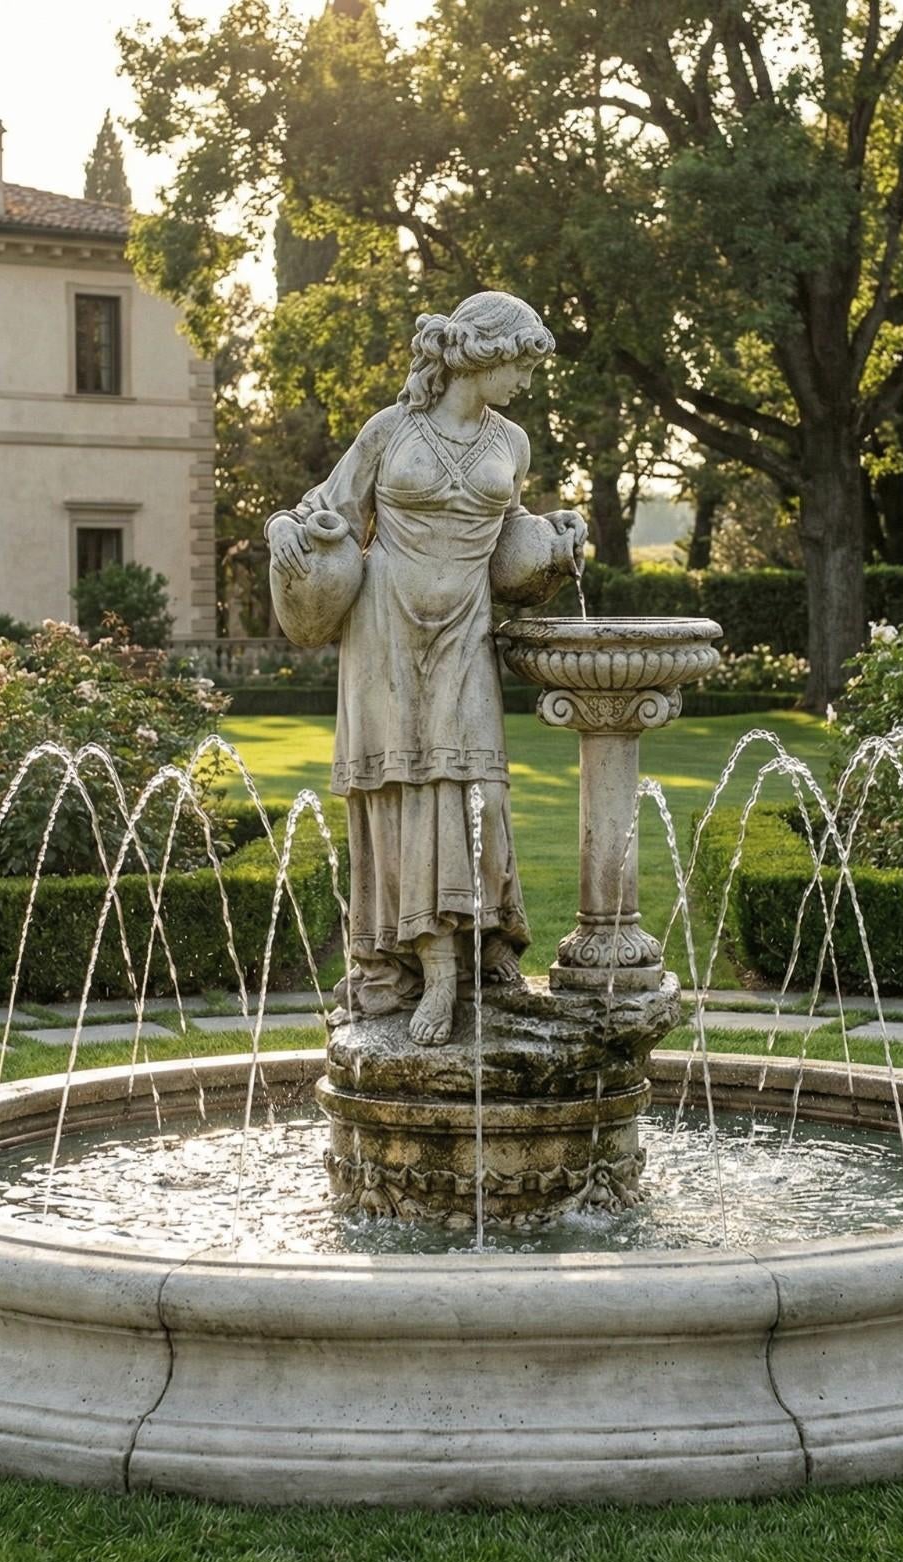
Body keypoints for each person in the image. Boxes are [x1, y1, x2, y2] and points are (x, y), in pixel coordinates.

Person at [266, 291, 585, 1044]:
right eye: (521, 364)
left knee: (477, 791)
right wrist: (285, 526)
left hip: (466, 631)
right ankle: (431, 974)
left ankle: (488, 958)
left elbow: (510, 546)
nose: (526, 381)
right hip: (383, 627)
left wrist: (555, 535)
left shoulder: (513, 442)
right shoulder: (390, 429)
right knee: (407, 794)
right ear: (485, 355)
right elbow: (324, 507)